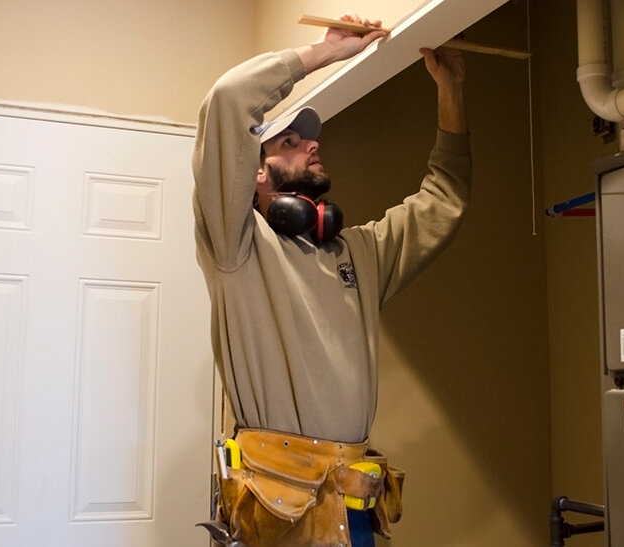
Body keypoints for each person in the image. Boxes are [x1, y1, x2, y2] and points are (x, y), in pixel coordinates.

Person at [192, 12, 470, 547]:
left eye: (310, 140)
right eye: (290, 142)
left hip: (353, 506)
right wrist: (324, 54)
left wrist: (451, 90)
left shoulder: (358, 252)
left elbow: (444, 203)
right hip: (277, 509)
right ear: (254, 172)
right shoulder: (236, 246)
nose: (312, 146)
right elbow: (227, 101)